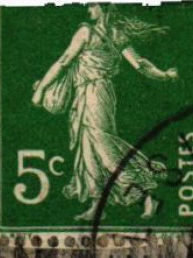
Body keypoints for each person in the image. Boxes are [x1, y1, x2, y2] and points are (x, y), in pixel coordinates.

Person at [30, 4, 178, 221]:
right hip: (86, 95)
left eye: (92, 4)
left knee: (104, 146)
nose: (88, 8)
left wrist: (42, 89)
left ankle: (147, 196)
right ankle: (97, 205)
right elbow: (140, 64)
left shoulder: (90, 33)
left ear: (105, 7)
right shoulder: (110, 33)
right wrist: (164, 75)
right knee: (88, 150)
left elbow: (64, 62)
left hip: (97, 94)